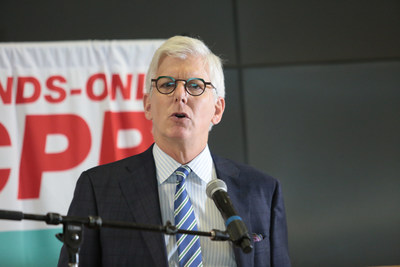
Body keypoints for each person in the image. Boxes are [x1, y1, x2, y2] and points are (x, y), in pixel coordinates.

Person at [58, 35, 291, 266]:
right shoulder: (99, 189)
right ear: (148, 104)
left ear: (217, 110)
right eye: (167, 84)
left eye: (195, 86)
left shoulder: (262, 191)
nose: (180, 95)